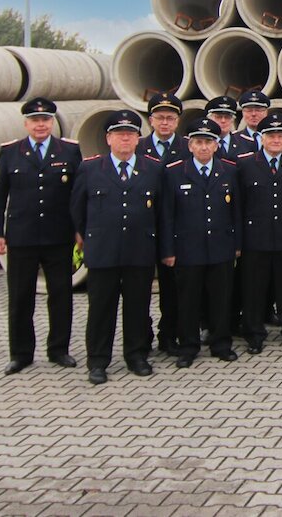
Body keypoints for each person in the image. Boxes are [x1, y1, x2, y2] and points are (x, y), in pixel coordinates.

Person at [0, 97, 84, 375]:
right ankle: (20, 353)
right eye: (35, 120)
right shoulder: (10, 153)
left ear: (52, 122)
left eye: (45, 120)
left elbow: (78, 196)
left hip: (59, 235)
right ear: (26, 123)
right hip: (22, 236)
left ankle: (59, 349)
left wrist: (80, 229)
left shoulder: (69, 151)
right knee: (20, 297)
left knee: (61, 295)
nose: (40, 125)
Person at [70, 110, 164, 385]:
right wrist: (87, 238)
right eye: (119, 135)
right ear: (108, 138)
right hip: (103, 251)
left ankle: (136, 356)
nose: (125, 139)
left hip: (139, 250)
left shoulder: (153, 168)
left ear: (138, 139)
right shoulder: (90, 168)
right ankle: (98, 361)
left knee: (138, 306)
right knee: (101, 309)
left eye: (131, 134)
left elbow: (161, 211)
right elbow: (77, 209)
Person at [160, 118, 241, 366]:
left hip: (220, 247)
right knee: (188, 301)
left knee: (221, 299)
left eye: (208, 142)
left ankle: (221, 343)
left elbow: (236, 212)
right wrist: (168, 250)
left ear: (217, 145)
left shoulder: (229, 170)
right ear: (190, 145)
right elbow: (167, 215)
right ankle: (188, 346)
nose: (204, 147)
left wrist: (237, 245)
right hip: (188, 249)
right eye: (199, 142)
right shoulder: (174, 172)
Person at [235, 113, 282, 353]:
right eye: (271, 135)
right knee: (254, 289)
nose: (276, 139)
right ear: (262, 138)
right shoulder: (246, 164)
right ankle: (254, 333)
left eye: (280, 135)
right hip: (256, 239)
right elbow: (240, 204)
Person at [138, 91, 186, 356]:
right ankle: (141, 337)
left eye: (170, 117)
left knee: (173, 288)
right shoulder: (137, 147)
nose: (165, 122)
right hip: (143, 230)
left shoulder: (188, 147)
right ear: (151, 120)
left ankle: (170, 335)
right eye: (160, 117)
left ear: (178, 121)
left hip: (177, 231)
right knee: (140, 288)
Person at [205, 95, 242, 161]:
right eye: (218, 117)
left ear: (232, 120)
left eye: (227, 117)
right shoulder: (202, 145)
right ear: (209, 119)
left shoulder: (244, 143)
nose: (223, 121)